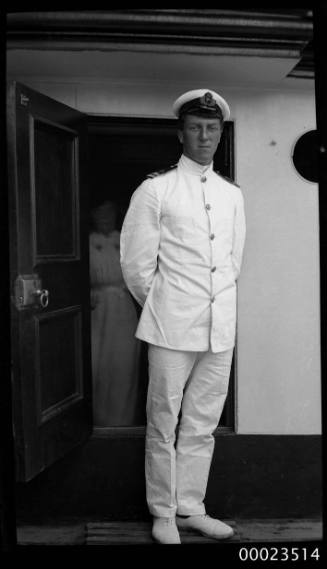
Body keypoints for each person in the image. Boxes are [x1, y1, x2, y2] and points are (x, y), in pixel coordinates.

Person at [120, 89, 246, 544]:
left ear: (219, 134)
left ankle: (191, 507)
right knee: (163, 420)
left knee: (202, 423)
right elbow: (136, 266)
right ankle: (163, 512)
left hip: (220, 330)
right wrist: (169, 303)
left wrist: (216, 308)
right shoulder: (156, 189)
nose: (204, 135)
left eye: (212, 128)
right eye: (195, 127)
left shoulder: (231, 195)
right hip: (171, 327)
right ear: (181, 132)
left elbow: (233, 260)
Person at [89, 200, 141, 426]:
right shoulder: (87, 242)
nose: (105, 220)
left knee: (123, 365)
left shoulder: (126, 239)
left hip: (123, 309)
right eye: (101, 215)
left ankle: (121, 421)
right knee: (99, 364)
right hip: (97, 310)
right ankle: (96, 420)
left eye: (109, 215)